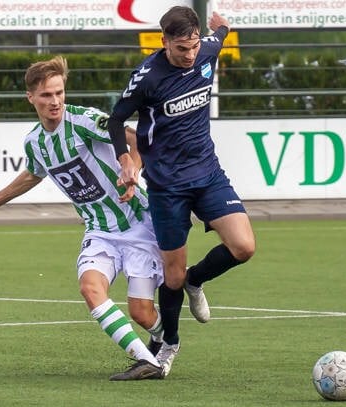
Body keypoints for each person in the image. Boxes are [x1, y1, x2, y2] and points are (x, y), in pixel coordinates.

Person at [0, 56, 167, 381]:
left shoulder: (85, 119)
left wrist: (131, 167)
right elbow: (34, 174)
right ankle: (148, 361)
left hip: (138, 225)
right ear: (31, 98)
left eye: (59, 93)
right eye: (47, 95)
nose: (55, 101)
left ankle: (165, 339)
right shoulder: (35, 141)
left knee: (141, 313)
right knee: (90, 289)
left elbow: (133, 138)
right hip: (99, 231)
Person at [107, 6, 256, 376]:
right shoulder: (146, 78)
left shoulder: (206, 50)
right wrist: (125, 159)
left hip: (207, 174)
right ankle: (169, 346)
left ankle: (197, 278)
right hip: (167, 186)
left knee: (244, 247)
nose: (189, 55)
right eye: (180, 49)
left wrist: (221, 27)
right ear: (164, 42)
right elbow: (114, 120)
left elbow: (219, 34)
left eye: (192, 47)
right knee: (169, 276)